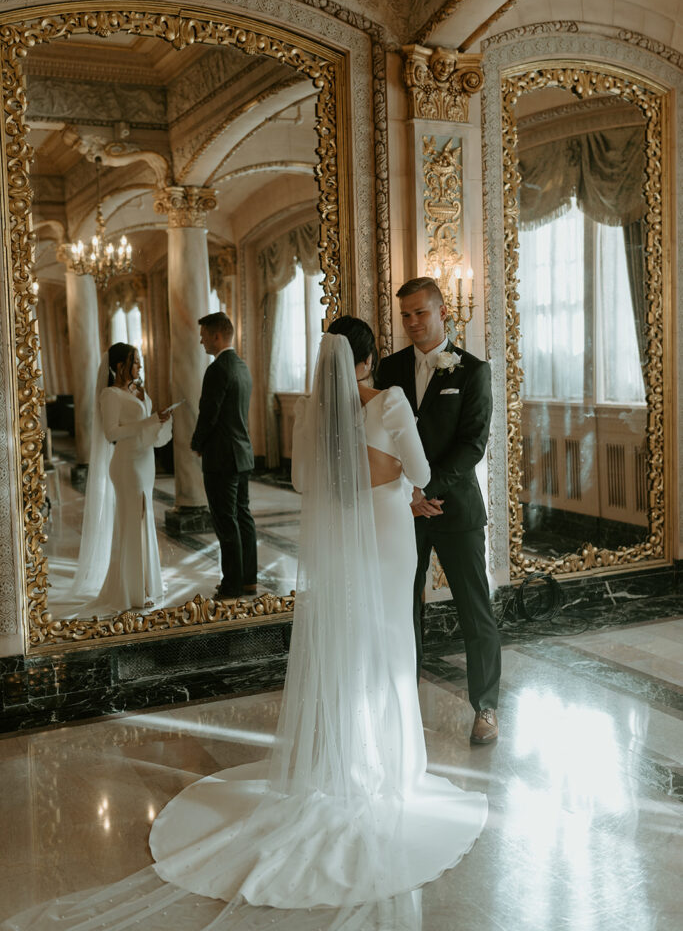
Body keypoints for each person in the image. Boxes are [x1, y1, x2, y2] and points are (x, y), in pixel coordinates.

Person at [7, 324, 487, 931]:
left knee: (345, 645)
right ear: (368, 359)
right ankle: (388, 770)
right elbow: (417, 472)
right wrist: (396, 476)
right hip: (389, 535)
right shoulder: (390, 401)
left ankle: (336, 763)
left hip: (341, 541)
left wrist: (360, 470)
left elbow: (308, 483)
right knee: (389, 645)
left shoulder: (312, 415)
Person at [375, 277, 502, 746]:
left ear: (443, 311)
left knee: (475, 611)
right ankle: (401, 704)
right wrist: (408, 492)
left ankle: (486, 707)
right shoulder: (388, 369)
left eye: (420, 313)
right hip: (402, 510)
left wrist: (427, 487)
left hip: (455, 508)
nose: (411, 322)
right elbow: (379, 437)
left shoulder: (472, 370)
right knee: (402, 610)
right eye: (405, 314)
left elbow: (472, 444)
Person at [74, 342, 173, 615]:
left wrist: (159, 421)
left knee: (143, 522)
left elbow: (146, 427)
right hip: (127, 464)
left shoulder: (139, 390)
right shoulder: (110, 395)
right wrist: (148, 421)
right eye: (136, 362)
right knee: (132, 523)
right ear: (120, 366)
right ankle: (132, 592)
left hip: (145, 462)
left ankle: (146, 585)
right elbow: (112, 433)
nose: (140, 367)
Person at [191, 312, 258, 598]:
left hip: (221, 457)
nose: (201, 340)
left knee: (225, 520)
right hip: (242, 454)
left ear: (217, 336)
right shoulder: (242, 366)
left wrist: (197, 442)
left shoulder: (217, 369)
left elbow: (209, 413)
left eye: (204, 335)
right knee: (242, 517)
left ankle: (232, 584)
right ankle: (247, 579)